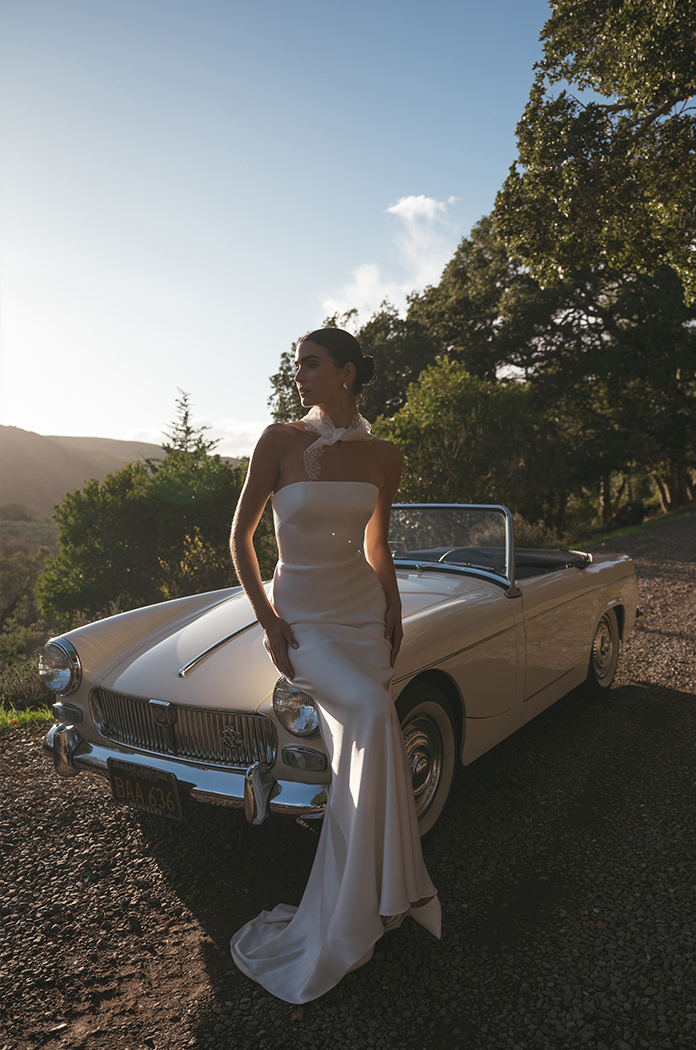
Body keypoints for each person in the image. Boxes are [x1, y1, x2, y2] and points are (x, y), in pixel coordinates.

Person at [228, 327, 440, 1003]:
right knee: (377, 715)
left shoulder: (385, 455)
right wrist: (270, 625)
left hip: (361, 615)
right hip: (306, 622)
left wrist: (395, 608)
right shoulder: (279, 440)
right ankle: (372, 901)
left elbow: (378, 546)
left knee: (368, 745)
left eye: (311, 365)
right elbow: (239, 539)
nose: (298, 376)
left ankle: (379, 901)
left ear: (347, 372)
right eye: (295, 366)